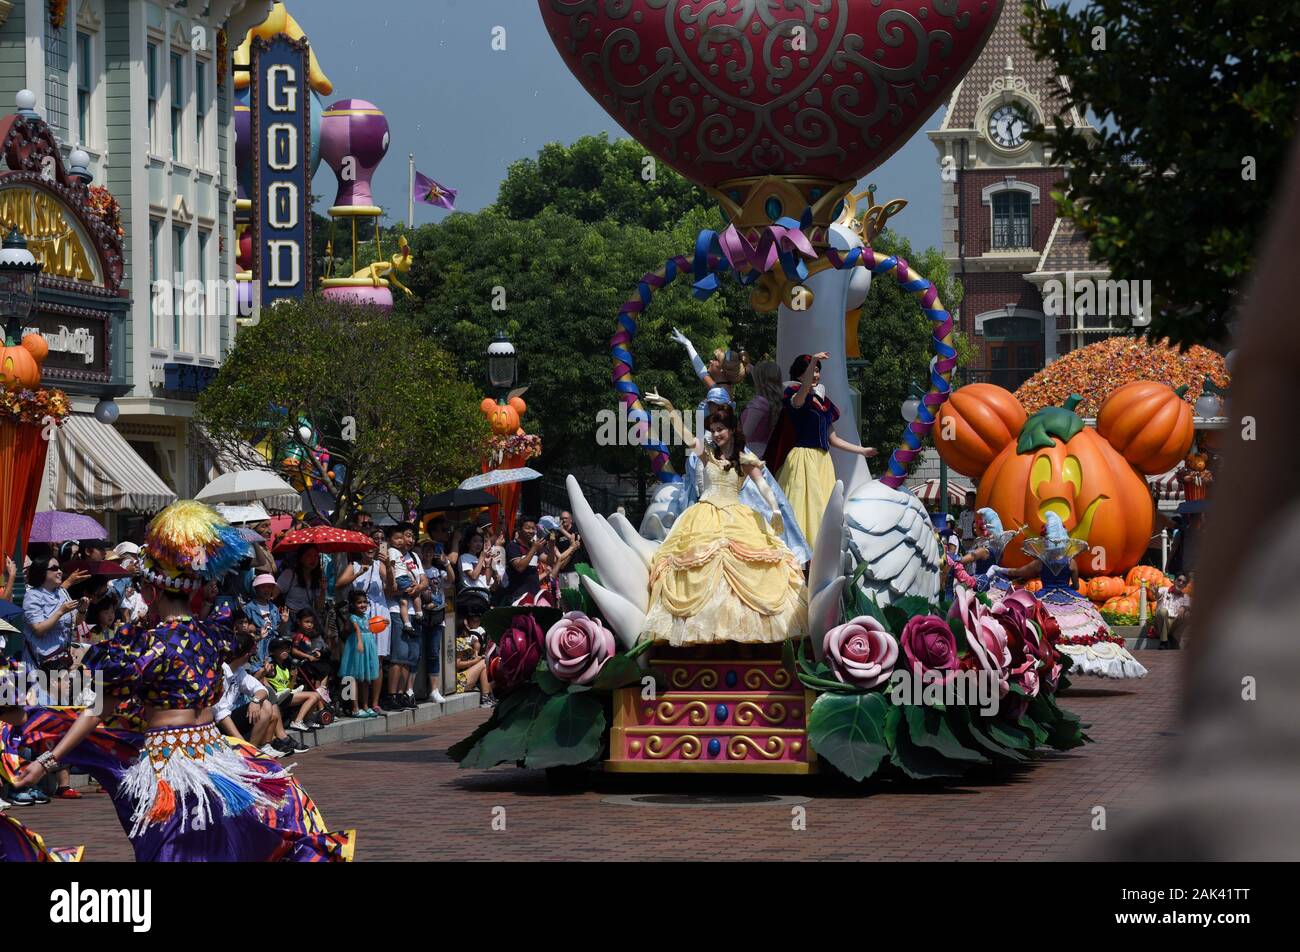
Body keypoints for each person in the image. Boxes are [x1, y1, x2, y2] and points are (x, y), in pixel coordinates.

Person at [10, 501, 353, 861]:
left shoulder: (140, 646)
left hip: (167, 767)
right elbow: (242, 649)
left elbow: (95, 711)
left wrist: (47, 760)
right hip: (216, 757)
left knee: (171, 852)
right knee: (227, 846)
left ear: (152, 592)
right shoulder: (213, 636)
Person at [638, 404, 807, 646]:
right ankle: (700, 637)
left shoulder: (745, 459)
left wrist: (775, 508)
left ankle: (746, 638)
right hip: (703, 515)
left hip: (737, 516)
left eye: (721, 429)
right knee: (699, 566)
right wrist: (670, 409)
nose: (716, 434)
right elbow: (685, 435)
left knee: (744, 566)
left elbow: (764, 487)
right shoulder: (706, 454)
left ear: (731, 430)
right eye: (714, 430)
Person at [990, 513, 1148, 679]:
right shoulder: (1070, 561)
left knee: (1039, 628)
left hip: (1044, 596)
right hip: (1071, 596)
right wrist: (1067, 589)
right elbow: (1077, 585)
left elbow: (1019, 572)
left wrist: (1000, 570)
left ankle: (1051, 664)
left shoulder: (1040, 562)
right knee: (1086, 628)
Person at [767, 353, 877, 548]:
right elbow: (803, 392)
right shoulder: (796, 396)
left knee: (823, 509)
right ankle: (798, 558)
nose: (816, 374)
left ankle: (818, 556)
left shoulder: (823, 403)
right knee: (802, 509)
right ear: (801, 375)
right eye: (812, 370)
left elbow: (833, 439)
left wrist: (862, 450)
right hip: (803, 460)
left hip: (823, 462)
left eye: (818, 370)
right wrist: (814, 360)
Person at [265, 638, 324, 733]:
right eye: (281, 649)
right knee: (314, 695)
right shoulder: (271, 666)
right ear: (273, 651)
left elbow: (289, 688)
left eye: (286, 648)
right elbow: (262, 678)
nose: (285, 651)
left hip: (286, 695)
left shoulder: (286, 667)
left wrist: (293, 678)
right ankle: (298, 721)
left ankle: (307, 721)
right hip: (278, 698)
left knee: (316, 696)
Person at [339, 589, 381, 718]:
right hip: (357, 646)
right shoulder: (353, 617)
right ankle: (355, 708)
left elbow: (371, 627)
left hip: (368, 646)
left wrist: (383, 623)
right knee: (354, 678)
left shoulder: (366, 616)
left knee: (366, 680)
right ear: (353, 604)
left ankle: (366, 706)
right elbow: (357, 629)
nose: (363, 605)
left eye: (364, 602)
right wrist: (359, 641)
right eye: (359, 602)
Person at [959, 508, 1017, 596]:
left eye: (984, 527)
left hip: (983, 582)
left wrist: (954, 560)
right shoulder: (986, 544)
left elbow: (965, 559)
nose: (976, 530)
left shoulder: (984, 551)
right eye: (974, 528)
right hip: (986, 580)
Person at [418, 539, 449, 704]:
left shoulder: (438, 571)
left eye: (431, 550)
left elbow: (451, 579)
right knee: (417, 652)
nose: (428, 553)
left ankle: (434, 690)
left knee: (434, 653)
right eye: (425, 550)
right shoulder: (416, 569)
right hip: (420, 614)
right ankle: (413, 689)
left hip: (437, 615)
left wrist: (447, 563)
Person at [501, 517, 547, 606]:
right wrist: (533, 549)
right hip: (519, 596)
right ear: (519, 529)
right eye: (527, 528)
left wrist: (552, 547)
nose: (531, 531)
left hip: (535, 594)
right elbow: (519, 567)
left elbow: (550, 561)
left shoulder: (533, 546)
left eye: (533, 528)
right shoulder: (513, 546)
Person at [741, 359, 784, 457]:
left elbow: (746, 431)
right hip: (771, 452)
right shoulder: (780, 400)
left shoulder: (760, 402)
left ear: (760, 379)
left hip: (753, 453)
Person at [453, 610, 495, 706]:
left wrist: (476, 651)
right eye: (467, 621)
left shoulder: (463, 639)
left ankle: (488, 696)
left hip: (461, 679)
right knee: (484, 663)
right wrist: (476, 661)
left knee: (485, 662)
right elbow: (457, 664)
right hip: (459, 682)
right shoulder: (459, 640)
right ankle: (486, 698)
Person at [243, 573, 282, 659]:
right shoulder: (249, 607)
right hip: (258, 646)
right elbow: (245, 630)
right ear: (256, 588)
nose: (267, 590)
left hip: (273, 647)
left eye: (269, 587)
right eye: (263, 587)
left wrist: (284, 622)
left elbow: (277, 629)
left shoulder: (274, 608)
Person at [1153, 574, 1191, 649]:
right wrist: (1156, 592)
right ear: (1174, 581)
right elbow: (1158, 595)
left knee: (1187, 614)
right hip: (1161, 623)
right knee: (1163, 611)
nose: (1181, 583)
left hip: (1174, 625)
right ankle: (1163, 642)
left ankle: (1175, 637)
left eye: (1184, 582)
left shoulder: (1186, 597)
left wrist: (1184, 607)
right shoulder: (1164, 590)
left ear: (1185, 586)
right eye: (1179, 580)